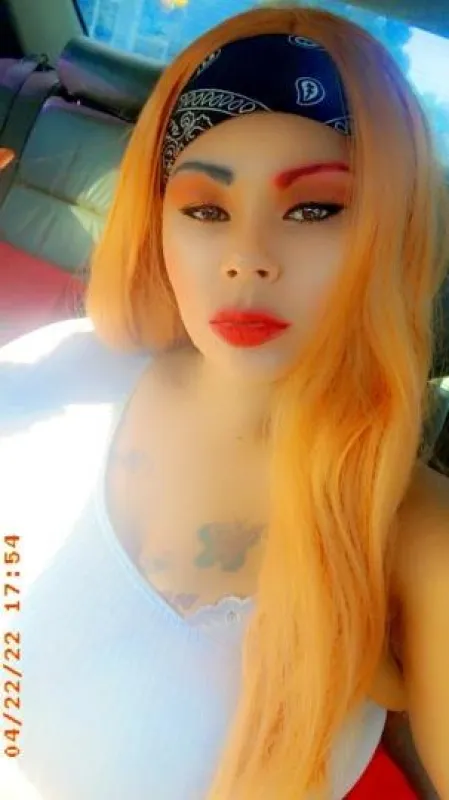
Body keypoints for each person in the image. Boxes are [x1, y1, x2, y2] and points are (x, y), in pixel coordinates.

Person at [0, 5, 448, 799]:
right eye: (205, 209)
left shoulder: (413, 534)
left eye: (314, 208)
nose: (247, 259)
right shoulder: (52, 370)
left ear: (391, 235)